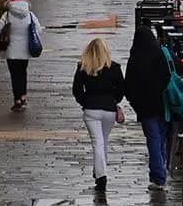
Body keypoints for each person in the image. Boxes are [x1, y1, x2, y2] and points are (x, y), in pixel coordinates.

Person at [72, 38, 125, 192]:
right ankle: (100, 172)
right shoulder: (114, 67)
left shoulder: (83, 67)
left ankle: (100, 175)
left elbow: (77, 89)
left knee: (98, 142)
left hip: (91, 109)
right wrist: (114, 99)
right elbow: (121, 88)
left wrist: (84, 102)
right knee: (103, 141)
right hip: (108, 109)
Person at [125, 26, 172, 190]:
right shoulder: (159, 54)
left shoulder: (135, 59)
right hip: (163, 104)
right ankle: (160, 170)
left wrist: (135, 103)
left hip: (145, 107)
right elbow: (168, 76)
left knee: (153, 139)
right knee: (162, 137)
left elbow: (128, 85)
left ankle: (158, 175)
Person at [0, 0, 42, 111]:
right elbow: (38, 30)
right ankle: (23, 97)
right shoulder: (30, 15)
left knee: (14, 75)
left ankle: (17, 100)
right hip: (25, 51)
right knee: (23, 73)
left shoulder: (7, 15)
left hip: (11, 51)